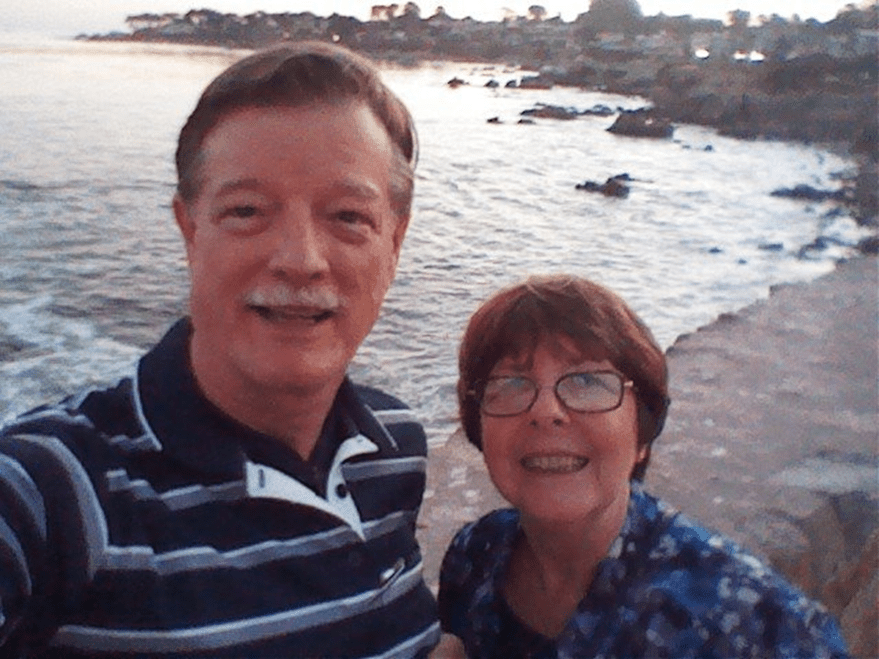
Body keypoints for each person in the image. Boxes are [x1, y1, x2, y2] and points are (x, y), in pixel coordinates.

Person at [0, 41, 441, 657]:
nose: (301, 259)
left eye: (348, 217)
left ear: (394, 243)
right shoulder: (53, 491)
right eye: (247, 210)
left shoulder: (394, 451)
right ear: (190, 230)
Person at [437, 274, 849, 659]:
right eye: (511, 383)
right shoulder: (476, 557)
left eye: (587, 381)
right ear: (478, 425)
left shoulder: (760, 625)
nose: (546, 412)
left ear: (643, 431)